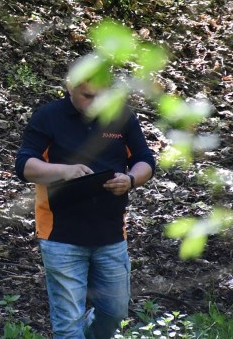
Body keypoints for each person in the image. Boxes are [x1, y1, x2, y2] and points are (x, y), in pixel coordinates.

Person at [15, 61, 156, 339]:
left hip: (111, 234)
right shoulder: (48, 116)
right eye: (87, 95)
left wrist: (129, 180)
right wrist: (64, 171)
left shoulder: (122, 117)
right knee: (68, 326)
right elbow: (24, 166)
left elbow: (145, 159)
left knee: (115, 314)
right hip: (61, 236)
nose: (94, 103)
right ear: (69, 88)